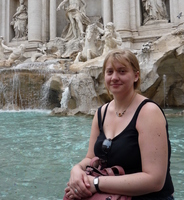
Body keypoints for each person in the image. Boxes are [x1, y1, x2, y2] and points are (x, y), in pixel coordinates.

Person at [64, 49, 174, 199]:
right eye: (110, 72)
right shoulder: (101, 113)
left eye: (122, 71)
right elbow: (91, 158)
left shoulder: (149, 112)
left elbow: (155, 180)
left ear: (136, 76)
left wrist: (96, 183)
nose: (114, 77)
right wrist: (76, 170)